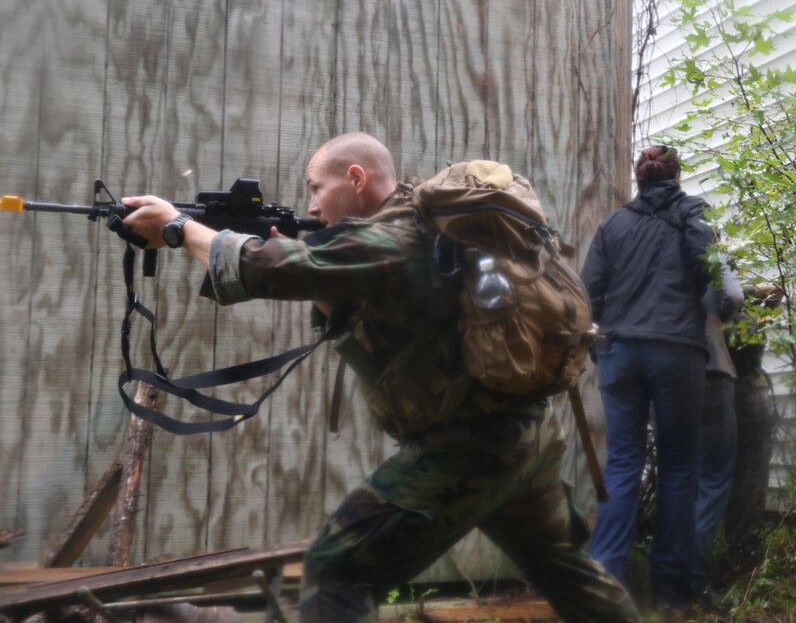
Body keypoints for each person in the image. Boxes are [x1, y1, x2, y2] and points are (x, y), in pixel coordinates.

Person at [122, 131, 640, 623]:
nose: (312, 206)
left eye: (317, 188)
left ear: (356, 178)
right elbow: (355, 300)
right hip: (526, 437)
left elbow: (271, 270)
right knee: (566, 571)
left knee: (336, 570)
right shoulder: (418, 229)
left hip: (466, 450)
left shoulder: (389, 238)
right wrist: (305, 261)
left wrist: (177, 228)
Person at [580, 144, 715, 609]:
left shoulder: (613, 225)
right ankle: (671, 593)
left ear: (638, 180)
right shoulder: (693, 213)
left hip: (618, 352)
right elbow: (713, 275)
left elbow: (587, 293)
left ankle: (606, 587)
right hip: (677, 352)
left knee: (621, 464)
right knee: (679, 467)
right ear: (676, 176)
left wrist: (604, 350)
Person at [692, 266, 744, 598]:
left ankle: (667, 575)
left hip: (664, 377)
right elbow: (734, 295)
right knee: (712, 480)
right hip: (711, 371)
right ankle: (694, 579)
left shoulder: (652, 248)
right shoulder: (707, 247)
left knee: (679, 478)